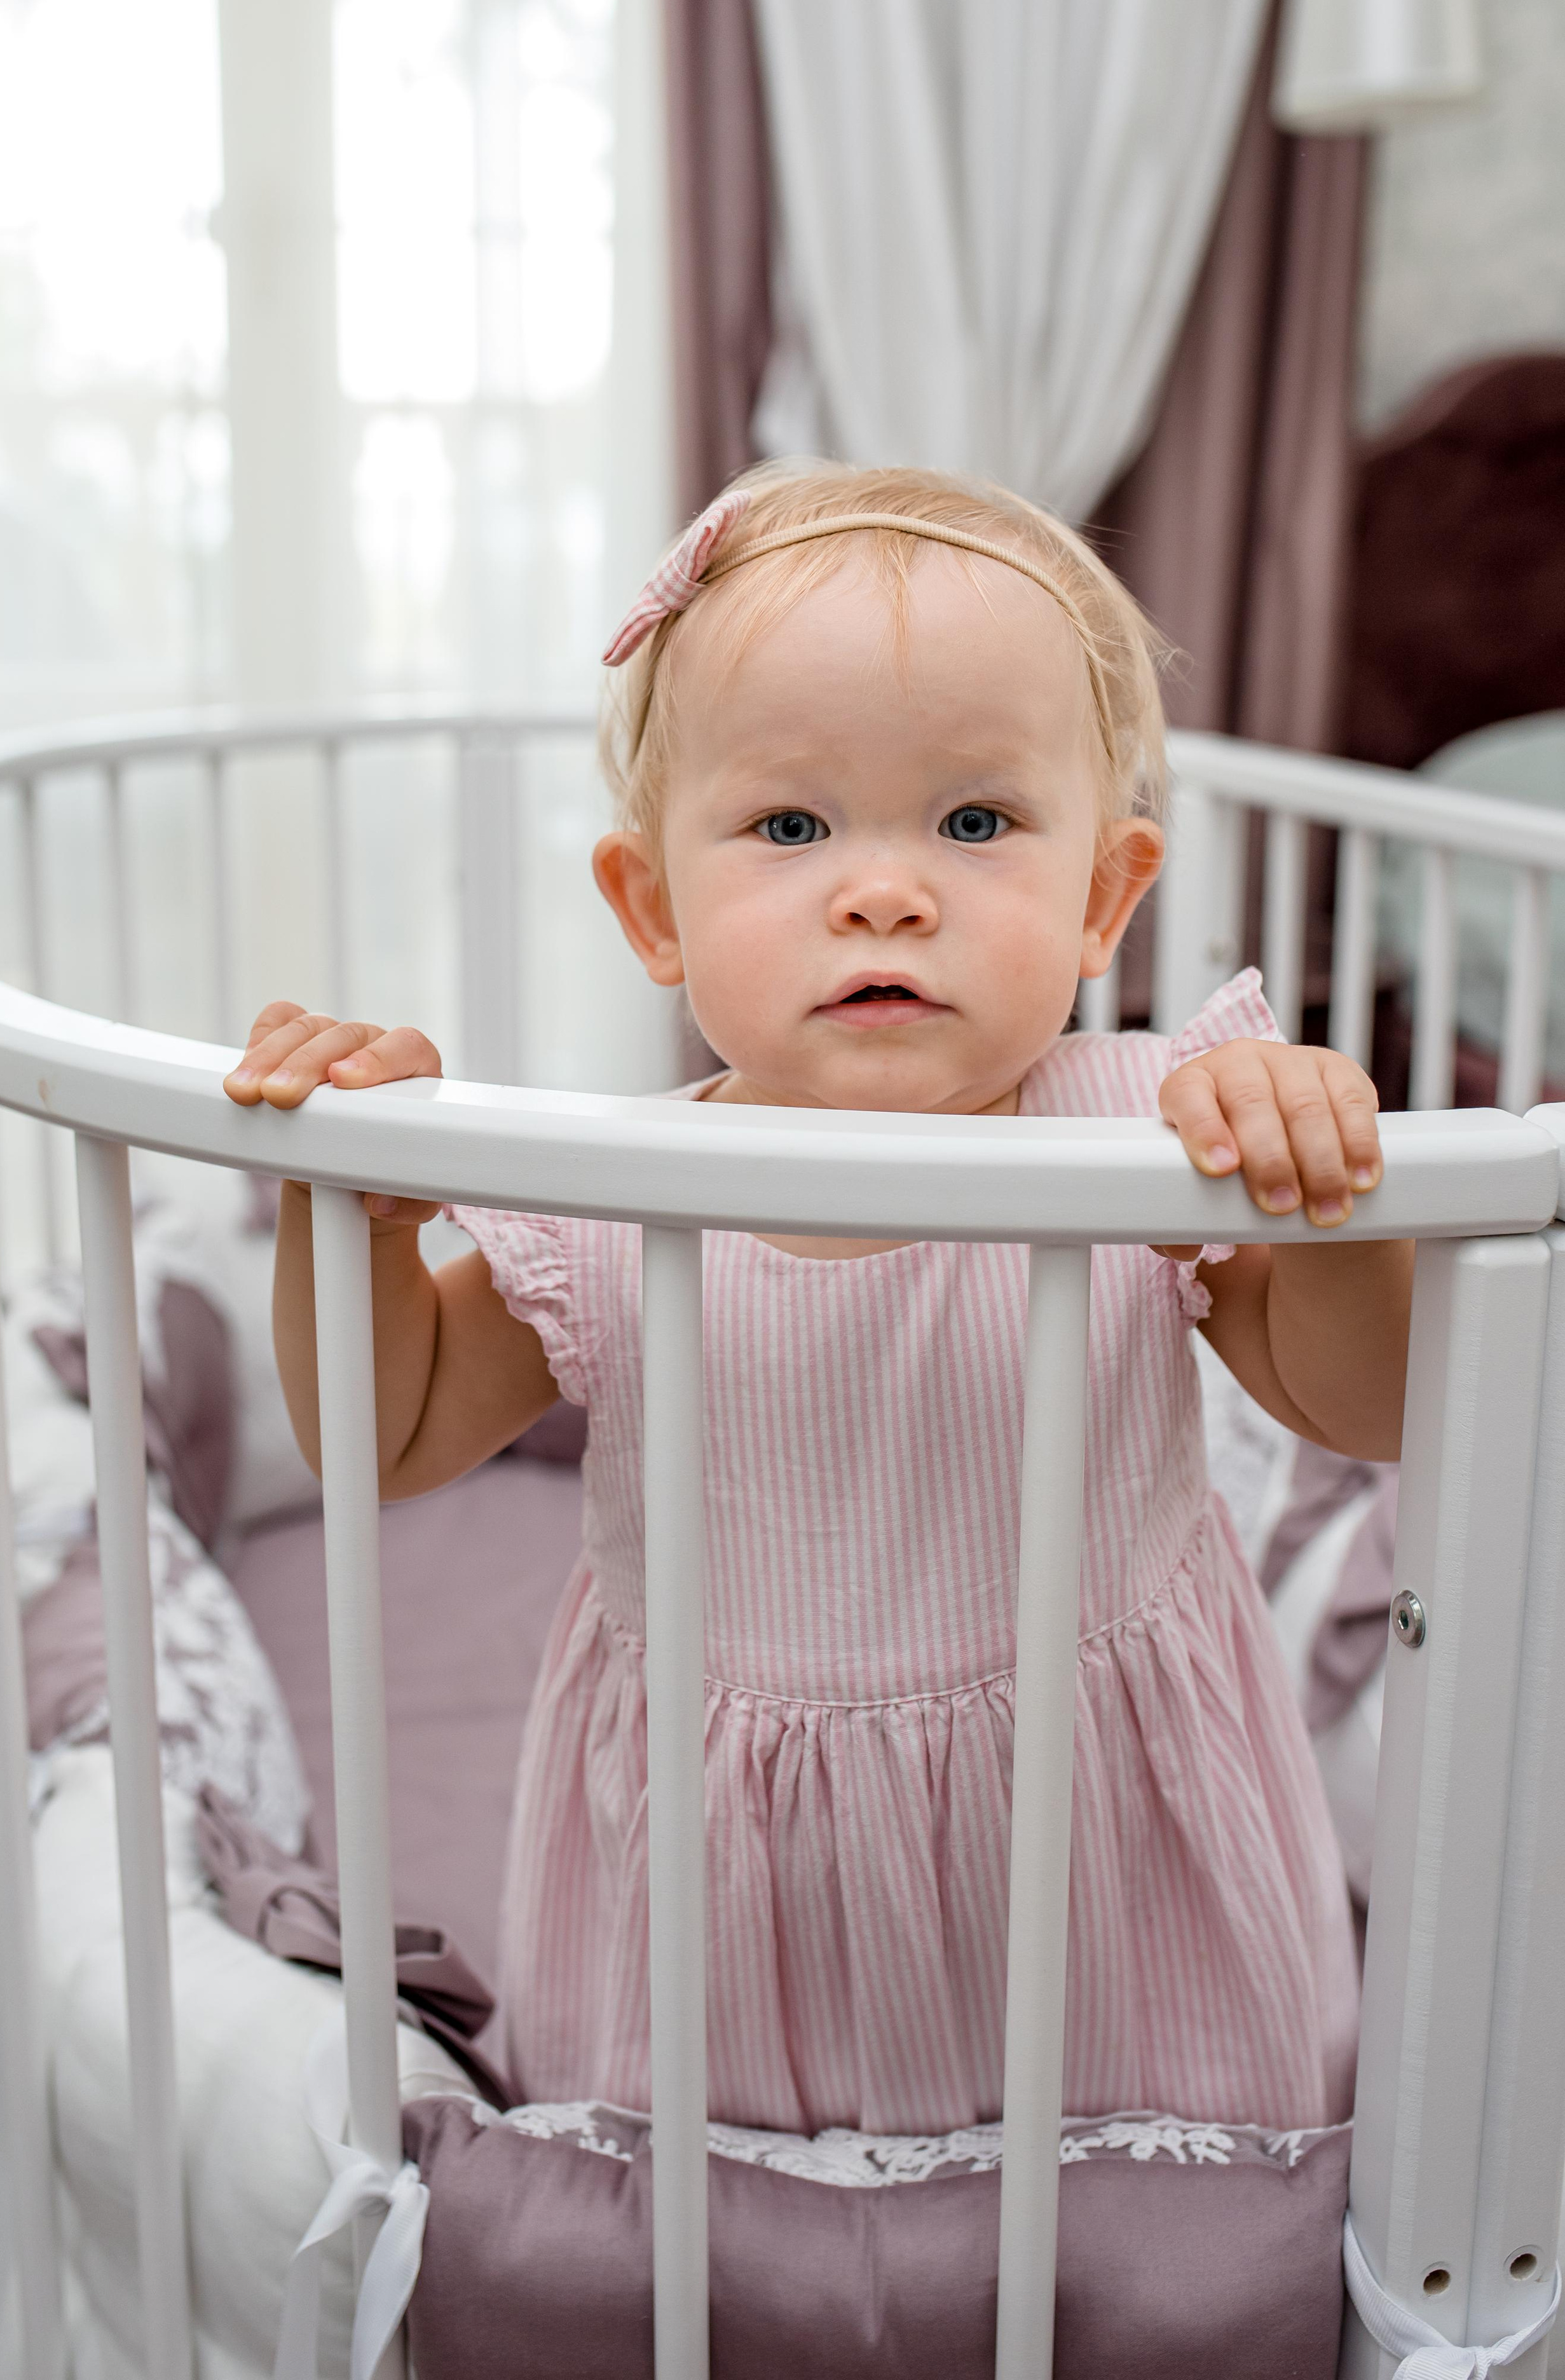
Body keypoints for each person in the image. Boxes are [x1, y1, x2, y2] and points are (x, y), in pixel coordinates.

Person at [225, 464, 1410, 2137]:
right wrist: (346, 1204)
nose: (884, 890)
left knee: (1152, 2216)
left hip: (1107, 1860)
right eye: (791, 826)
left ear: (1104, 896)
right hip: (730, 1892)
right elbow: (390, 1431)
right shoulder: (622, 1193)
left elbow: (1360, 1408)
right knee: (718, 2233)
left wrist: (1333, 1189)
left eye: (976, 821)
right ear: (652, 906)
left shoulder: (1153, 1131)